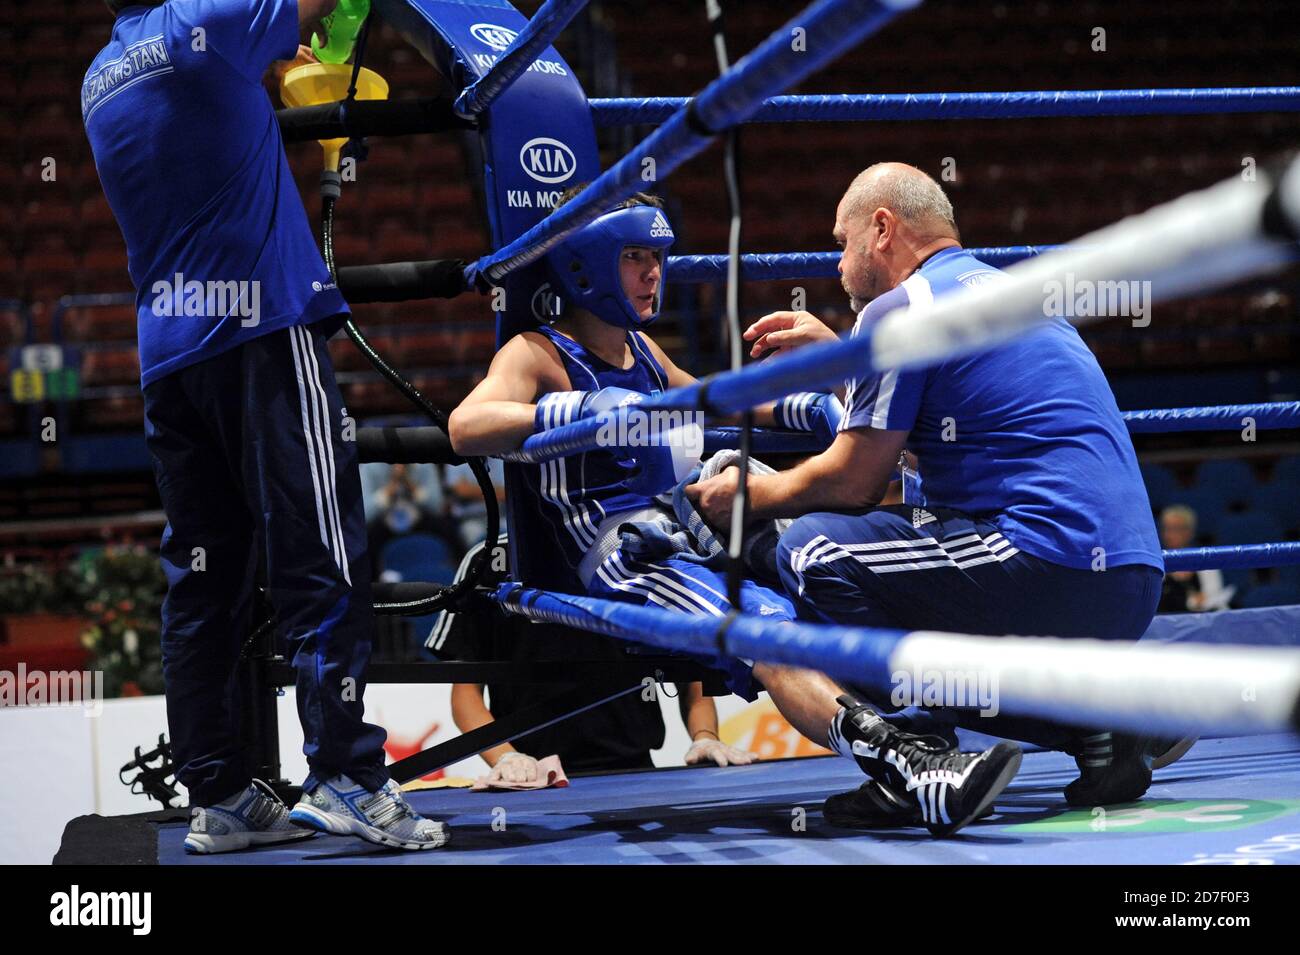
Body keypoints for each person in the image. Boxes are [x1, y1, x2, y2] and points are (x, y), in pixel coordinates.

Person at [451, 186, 1021, 837]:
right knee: (768, 633)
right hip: (629, 554)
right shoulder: (539, 353)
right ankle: (913, 765)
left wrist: (805, 404)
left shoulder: (640, 352)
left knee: (831, 574)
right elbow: (466, 425)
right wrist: (575, 411)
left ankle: (943, 734)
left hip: (688, 525)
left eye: (659, 256)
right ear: (587, 262)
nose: (653, 273)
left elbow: (714, 401)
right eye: (634, 256)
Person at [687, 162, 1175, 808]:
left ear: (882, 229)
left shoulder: (899, 310)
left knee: (813, 550)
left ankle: (917, 763)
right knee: (900, 558)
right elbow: (931, 434)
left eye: (842, 241)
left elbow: (859, 481)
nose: (837, 262)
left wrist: (744, 498)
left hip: (1042, 563)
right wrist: (847, 364)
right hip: (1130, 582)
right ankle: (1090, 723)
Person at [83, 0, 445, 852]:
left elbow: (212, 115)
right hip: (261, 329)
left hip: (170, 350)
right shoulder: (199, 21)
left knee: (204, 578)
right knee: (320, 548)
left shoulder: (102, 76)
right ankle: (349, 773)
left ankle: (218, 793)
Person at [1158, 505, 1234, 612]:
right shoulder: (1156, 563)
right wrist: (1191, 600)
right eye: (1166, 529)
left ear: (1189, 532)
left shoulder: (1205, 560)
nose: (1169, 535)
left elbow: (1214, 599)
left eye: (1175, 529)